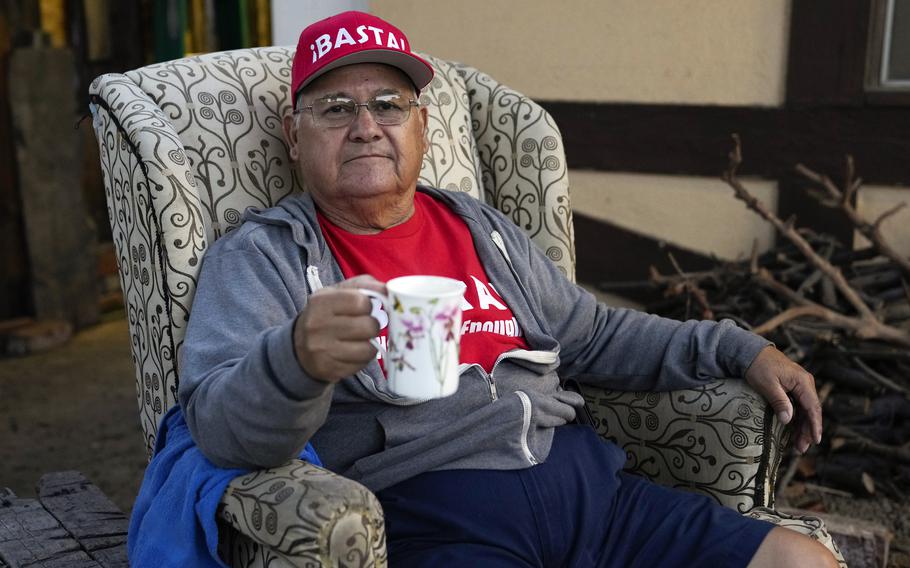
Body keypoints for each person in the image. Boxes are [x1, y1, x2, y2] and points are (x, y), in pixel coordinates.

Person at [178, 10, 837, 568]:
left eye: (388, 105)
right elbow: (218, 428)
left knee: (804, 561)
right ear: (294, 136)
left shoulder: (478, 226)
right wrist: (294, 360)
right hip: (437, 516)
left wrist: (735, 348)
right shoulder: (263, 255)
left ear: (421, 128)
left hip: (595, 498)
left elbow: (593, 335)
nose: (365, 126)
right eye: (335, 109)